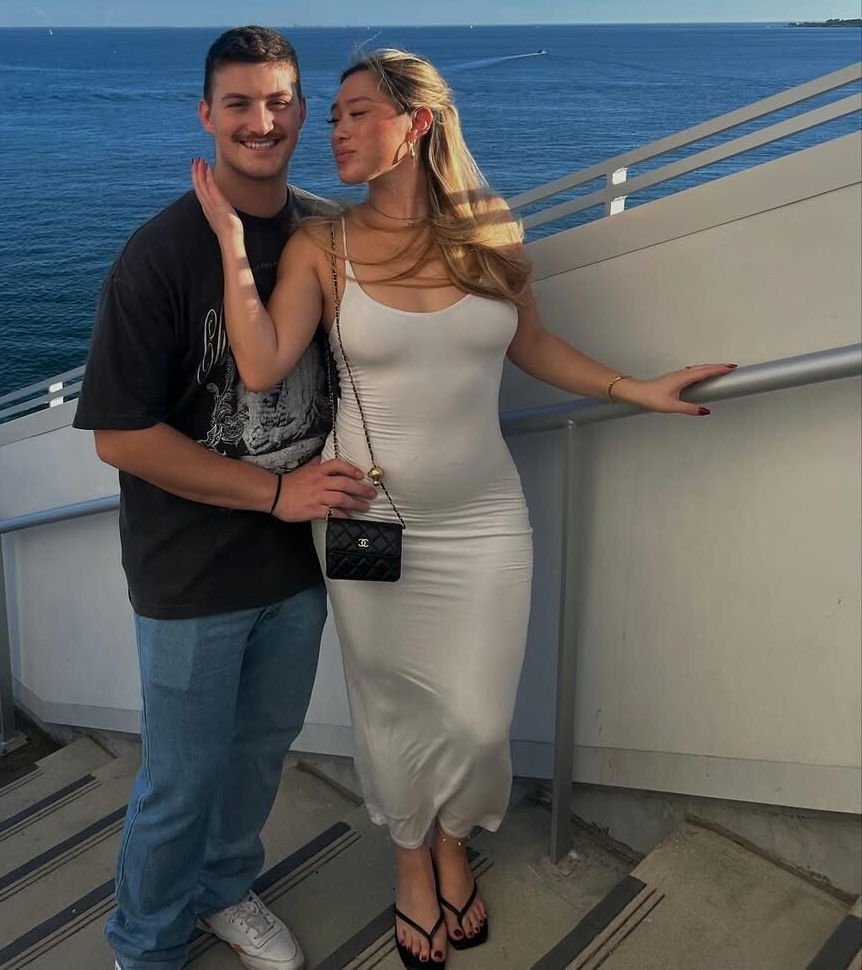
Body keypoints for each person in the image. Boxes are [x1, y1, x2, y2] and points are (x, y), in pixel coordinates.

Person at [191, 48, 735, 968]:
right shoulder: (323, 246)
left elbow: (533, 344)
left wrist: (631, 387)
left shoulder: (490, 228)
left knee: (479, 721)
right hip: (367, 521)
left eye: (358, 113)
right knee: (392, 712)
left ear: (417, 124)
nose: (336, 130)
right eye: (334, 116)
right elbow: (260, 361)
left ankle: (454, 838)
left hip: (485, 518)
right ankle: (414, 856)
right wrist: (232, 242)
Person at [73, 26, 376, 970]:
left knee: (259, 752)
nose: (262, 120)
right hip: (192, 574)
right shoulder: (159, 256)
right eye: (239, 102)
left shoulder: (328, 233)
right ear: (206, 115)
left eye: (280, 100)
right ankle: (146, 944)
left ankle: (222, 889)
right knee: (181, 778)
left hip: (300, 563)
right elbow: (121, 435)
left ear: (303, 110)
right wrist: (275, 491)